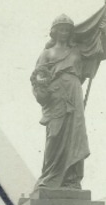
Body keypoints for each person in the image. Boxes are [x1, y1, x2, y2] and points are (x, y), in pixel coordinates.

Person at [31, 14, 89, 190]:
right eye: (61, 29)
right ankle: (49, 177)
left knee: (75, 136)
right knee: (54, 136)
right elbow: (38, 77)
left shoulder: (76, 52)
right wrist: (42, 92)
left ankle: (71, 179)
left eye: (67, 30)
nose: (64, 33)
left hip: (74, 93)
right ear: (54, 32)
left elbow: (93, 56)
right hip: (56, 97)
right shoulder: (47, 54)